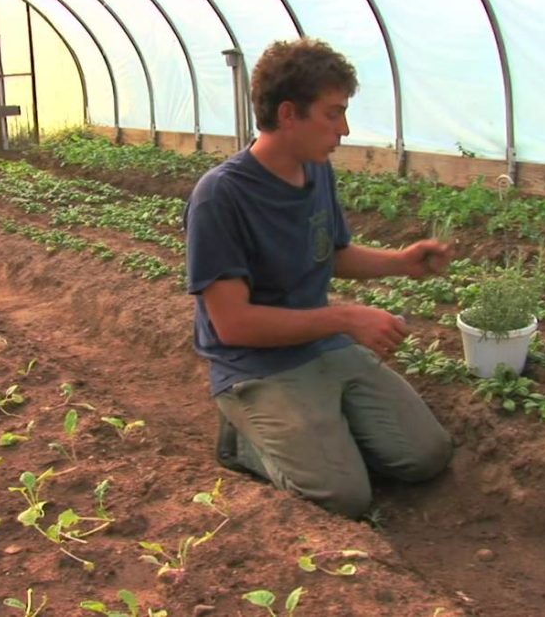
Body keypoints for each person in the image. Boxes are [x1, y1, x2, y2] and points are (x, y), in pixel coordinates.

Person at [184, 38, 454, 518]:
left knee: (425, 455)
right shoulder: (221, 196)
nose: (343, 129)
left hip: (319, 346)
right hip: (255, 365)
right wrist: (345, 318)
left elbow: (331, 254)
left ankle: (324, 434)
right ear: (289, 114)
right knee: (341, 496)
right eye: (333, 114)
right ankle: (245, 443)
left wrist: (402, 262)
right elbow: (233, 324)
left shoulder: (316, 172)